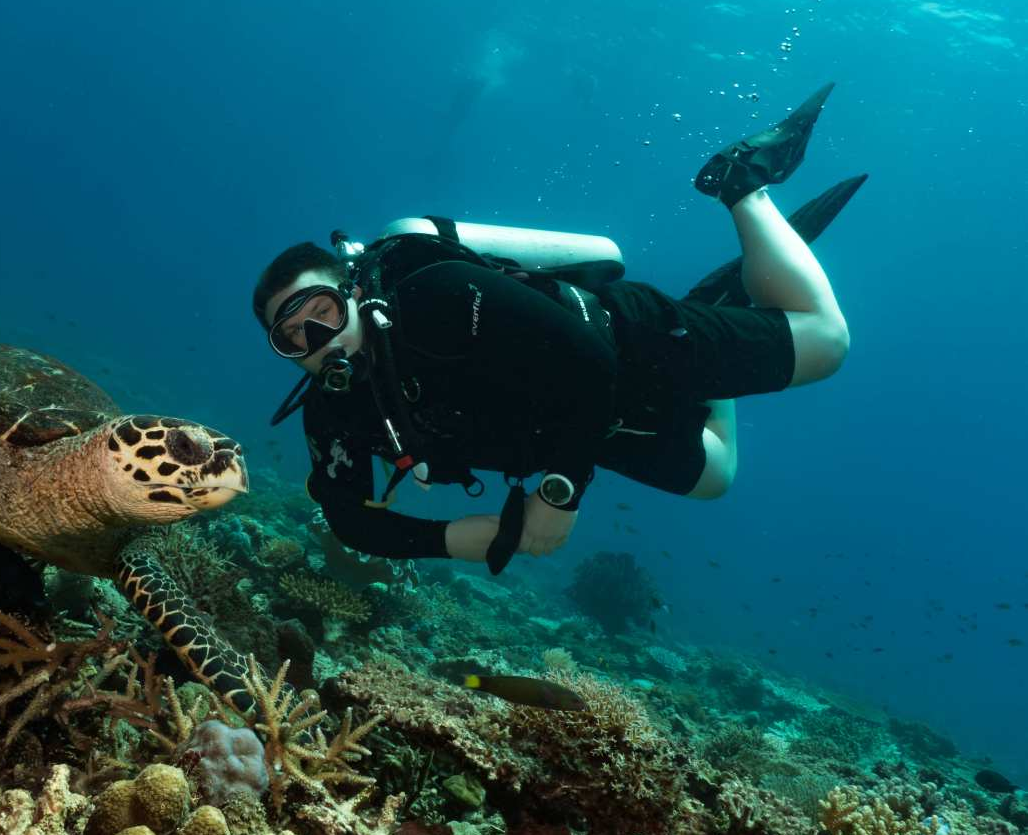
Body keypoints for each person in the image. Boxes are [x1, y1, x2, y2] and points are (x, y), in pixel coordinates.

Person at [253, 83, 857, 569]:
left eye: (322, 313)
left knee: (827, 342)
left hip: (629, 342)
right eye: (293, 336)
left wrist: (559, 491)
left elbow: (587, 360)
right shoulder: (334, 413)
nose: (317, 341)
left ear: (354, 293)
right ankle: (720, 300)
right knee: (715, 476)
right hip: (591, 426)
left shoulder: (435, 295)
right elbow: (350, 521)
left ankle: (742, 184)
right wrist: (456, 540)